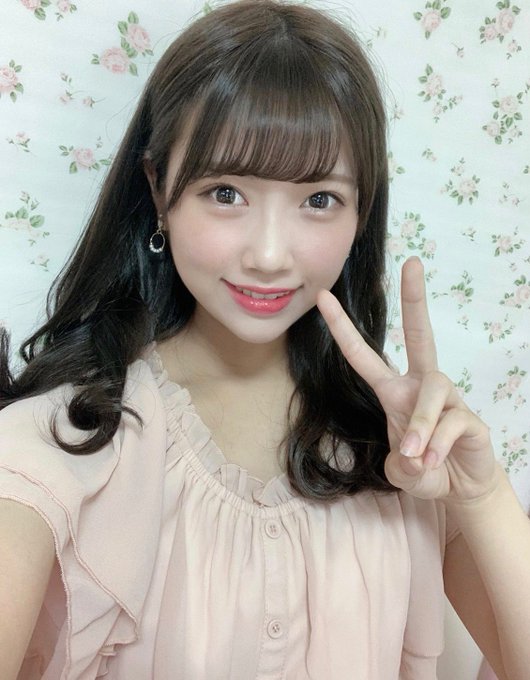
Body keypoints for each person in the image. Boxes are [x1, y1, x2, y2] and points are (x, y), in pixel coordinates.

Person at [0, 1, 528, 678]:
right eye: (225, 192)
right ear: (159, 189)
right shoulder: (63, 441)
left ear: (362, 211)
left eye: (318, 200)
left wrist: (481, 499)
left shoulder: (405, 458)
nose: (270, 256)